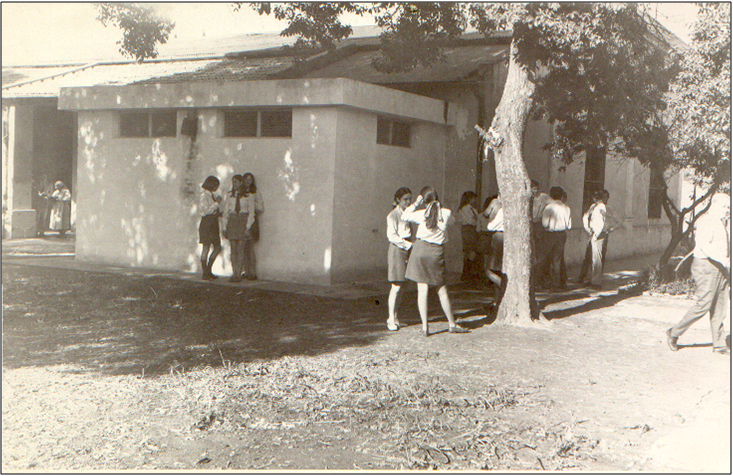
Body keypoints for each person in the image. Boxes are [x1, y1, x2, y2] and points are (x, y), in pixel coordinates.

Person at [666, 193, 730, 355]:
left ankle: (719, 344)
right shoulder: (706, 221)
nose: (728, 210)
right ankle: (674, 332)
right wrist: (725, 260)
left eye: (729, 207)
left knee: (720, 306)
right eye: (725, 206)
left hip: (721, 268)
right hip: (706, 266)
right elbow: (704, 247)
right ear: (714, 205)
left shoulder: (722, 222)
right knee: (704, 304)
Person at [402, 186, 469, 337]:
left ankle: (425, 327)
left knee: (422, 290)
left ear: (424, 200)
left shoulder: (421, 214)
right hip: (436, 252)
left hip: (420, 250)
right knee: (441, 290)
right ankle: (452, 323)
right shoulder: (445, 212)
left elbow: (405, 216)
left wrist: (416, 203)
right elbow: (451, 222)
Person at [386, 187, 413, 331]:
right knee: (396, 287)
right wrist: (408, 245)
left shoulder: (408, 214)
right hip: (398, 250)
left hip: (407, 249)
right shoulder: (393, 215)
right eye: (405, 199)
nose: (408, 202)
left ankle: (396, 317)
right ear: (398, 200)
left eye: (410, 199)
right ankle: (390, 318)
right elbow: (392, 236)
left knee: (403, 286)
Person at [534, 186, 571, 290]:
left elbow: (545, 224)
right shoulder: (567, 208)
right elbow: (569, 225)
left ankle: (537, 282)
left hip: (550, 234)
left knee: (543, 258)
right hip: (562, 234)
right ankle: (556, 284)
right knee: (557, 260)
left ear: (551, 195)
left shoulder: (549, 207)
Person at [584, 189, 621, 289]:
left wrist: (609, 229)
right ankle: (592, 279)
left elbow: (617, 222)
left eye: (606, 197)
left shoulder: (606, 208)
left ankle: (596, 282)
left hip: (600, 234)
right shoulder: (595, 207)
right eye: (603, 197)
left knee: (598, 259)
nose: (604, 199)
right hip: (594, 233)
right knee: (592, 258)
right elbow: (587, 217)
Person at [222, 175, 247, 283]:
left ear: (241, 183)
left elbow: (251, 213)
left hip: (242, 220)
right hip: (232, 221)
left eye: (236, 182)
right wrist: (224, 227)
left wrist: (248, 226)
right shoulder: (229, 195)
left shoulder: (247, 196)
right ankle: (234, 273)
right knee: (233, 249)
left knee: (240, 249)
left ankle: (239, 273)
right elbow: (225, 212)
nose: (234, 184)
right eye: (233, 182)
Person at [240, 172, 264, 281]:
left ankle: (253, 272)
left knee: (249, 247)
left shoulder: (255, 192)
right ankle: (246, 271)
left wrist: (252, 204)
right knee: (242, 247)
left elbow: (261, 207)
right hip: (241, 220)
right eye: (245, 179)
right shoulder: (240, 192)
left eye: (250, 180)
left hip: (251, 220)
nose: (247, 182)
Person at [199, 176, 223, 280]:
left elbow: (212, 212)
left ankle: (208, 270)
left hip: (213, 223)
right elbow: (205, 211)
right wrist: (217, 203)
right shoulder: (204, 196)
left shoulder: (212, 195)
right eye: (216, 185)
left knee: (217, 247)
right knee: (206, 247)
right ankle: (205, 272)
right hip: (207, 224)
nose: (217, 188)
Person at [483, 195, 505, 306]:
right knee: (499, 270)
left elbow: (490, 226)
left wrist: (491, 220)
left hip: (499, 237)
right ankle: (497, 300)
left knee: (489, 270)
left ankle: (505, 287)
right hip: (505, 238)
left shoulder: (502, 210)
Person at [457, 191, 480, 283]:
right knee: (470, 250)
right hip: (468, 229)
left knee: (471, 251)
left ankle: (469, 273)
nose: (475, 200)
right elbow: (471, 221)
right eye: (473, 198)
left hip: (472, 230)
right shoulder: (465, 209)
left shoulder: (473, 209)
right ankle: (467, 273)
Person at [530, 179, 552, 264]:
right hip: (530, 223)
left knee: (539, 245)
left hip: (539, 223)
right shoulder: (528, 198)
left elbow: (553, 204)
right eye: (533, 189)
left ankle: (539, 264)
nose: (535, 191)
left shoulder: (543, 197)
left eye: (536, 189)